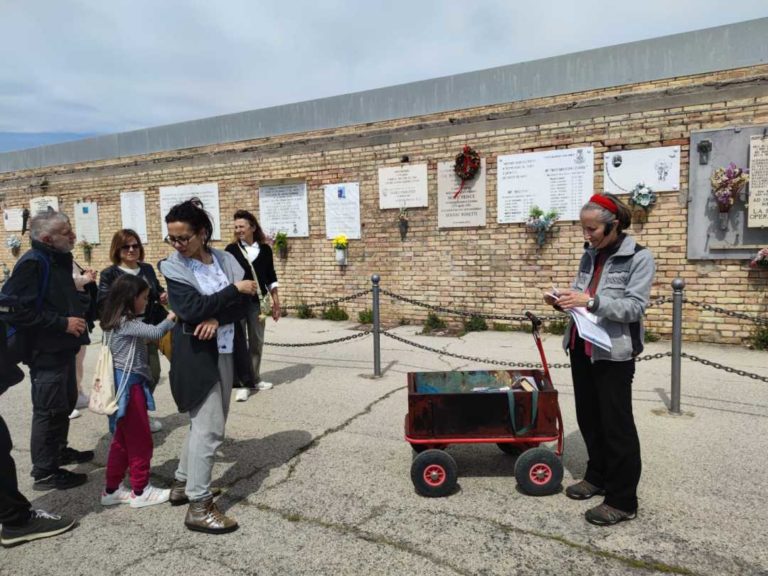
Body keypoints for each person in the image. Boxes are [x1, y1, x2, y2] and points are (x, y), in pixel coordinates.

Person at [544, 193, 655, 526]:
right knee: (589, 417)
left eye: (593, 229)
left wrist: (591, 303)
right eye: (584, 228)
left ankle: (622, 500)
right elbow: (581, 292)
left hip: (613, 353)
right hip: (581, 346)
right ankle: (597, 475)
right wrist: (562, 300)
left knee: (616, 425)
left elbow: (634, 307)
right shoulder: (589, 255)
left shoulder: (639, 257)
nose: (587, 235)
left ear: (614, 225)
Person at [158, 199, 258, 533]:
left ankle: (182, 484)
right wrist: (231, 291)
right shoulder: (174, 267)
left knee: (202, 424)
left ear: (202, 234)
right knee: (210, 428)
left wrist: (217, 316)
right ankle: (199, 505)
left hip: (226, 350)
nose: (177, 245)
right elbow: (191, 308)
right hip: (196, 355)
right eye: (171, 238)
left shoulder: (226, 259)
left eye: (183, 238)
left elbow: (247, 301)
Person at [0, 211, 93, 490]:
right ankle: (45, 471)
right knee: (48, 409)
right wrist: (61, 323)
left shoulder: (59, 259)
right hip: (45, 351)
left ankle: (59, 451)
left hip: (64, 347)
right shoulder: (32, 262)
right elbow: (13, 309)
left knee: (64, 402)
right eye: (67, 232)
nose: (73, 235)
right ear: (46, 238)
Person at [99, 275, 175, 508]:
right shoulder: (127, 322)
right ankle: (141, 490)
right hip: (130, 387)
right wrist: (172, 316)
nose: (145, 302)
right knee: (141, 439)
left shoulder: (112, 321)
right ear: (131, 299)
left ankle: (112, 489)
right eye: (143, 298)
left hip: (119, 386)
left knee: (121, 441)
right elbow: (154, 333)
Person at [98, 229, 168, 433]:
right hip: (125, 333)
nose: (131, 250)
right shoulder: (109, 274)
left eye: (135, 245)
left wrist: (161, 295)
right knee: (126, 379)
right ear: (117, 250)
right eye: (126, 246)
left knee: (152, 373)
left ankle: (140, 412)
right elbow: (104, 304)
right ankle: (124, 418)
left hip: (148, 327)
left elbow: (154, 291)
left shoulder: (146, 268)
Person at [225, 210, 281, 402]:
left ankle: (255, 378)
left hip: (259, 302)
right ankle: (243, 383)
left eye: (241, 226)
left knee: (257, 340)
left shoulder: (265, 250)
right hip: (238, 302)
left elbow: (271, 276)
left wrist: (276, 301)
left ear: (253, 228)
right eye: (236, 227)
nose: (238, 230)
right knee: (239, 342)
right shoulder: (231, 250)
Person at [69, 264, 98, 420]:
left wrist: (85, 275)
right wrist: (87, 278)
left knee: (79, 356)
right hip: (68, 313)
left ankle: (77, 393)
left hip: (79, 311)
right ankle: (67, 401)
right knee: (70, 359)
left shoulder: (66, 256)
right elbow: (70, 281)